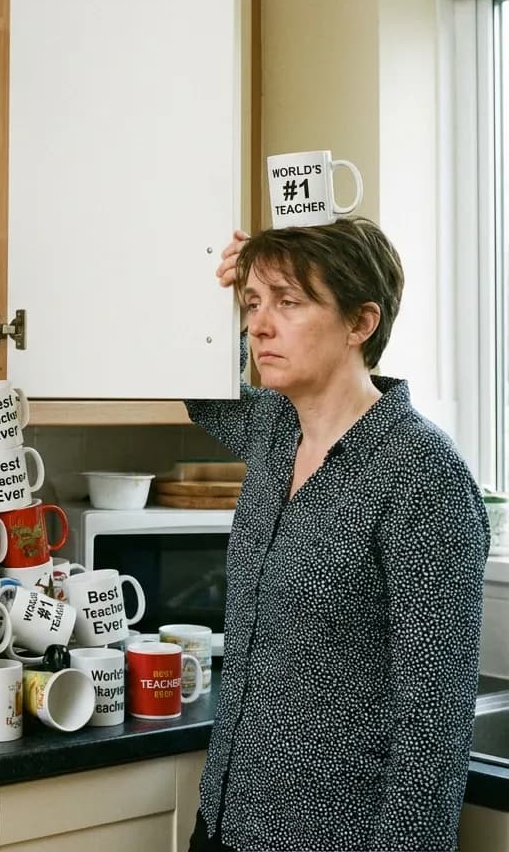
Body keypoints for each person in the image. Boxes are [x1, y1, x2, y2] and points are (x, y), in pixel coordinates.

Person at [185, 219, 489, 852]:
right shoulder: (272, 427)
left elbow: (434, 719)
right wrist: (217, 286)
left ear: (361, 323)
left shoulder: (422, 474)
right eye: (253, 306)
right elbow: (187, 382)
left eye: (288, 303)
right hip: (226, 818)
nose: (258, 327)